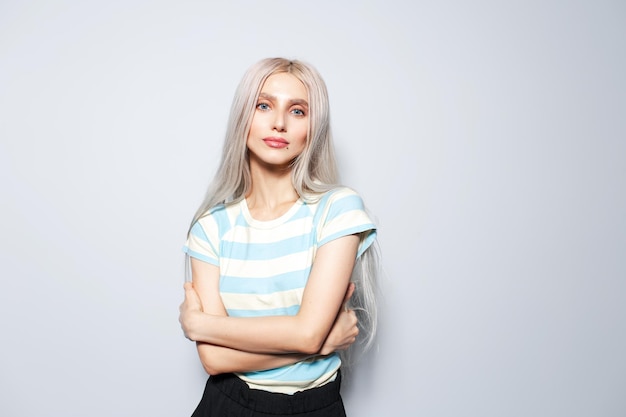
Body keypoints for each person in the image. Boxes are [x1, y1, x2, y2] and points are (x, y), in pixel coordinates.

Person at [178, 57, 381, 417]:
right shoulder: (211, 226)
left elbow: (307, 333)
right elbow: (213, 358)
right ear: (244, 117)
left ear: (313, 127)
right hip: (228, 405)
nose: (279, 123)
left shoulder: (337, 209)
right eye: (264, 105)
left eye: (298, 111)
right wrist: (320, 344)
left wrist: (204, 325)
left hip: (315, 407)